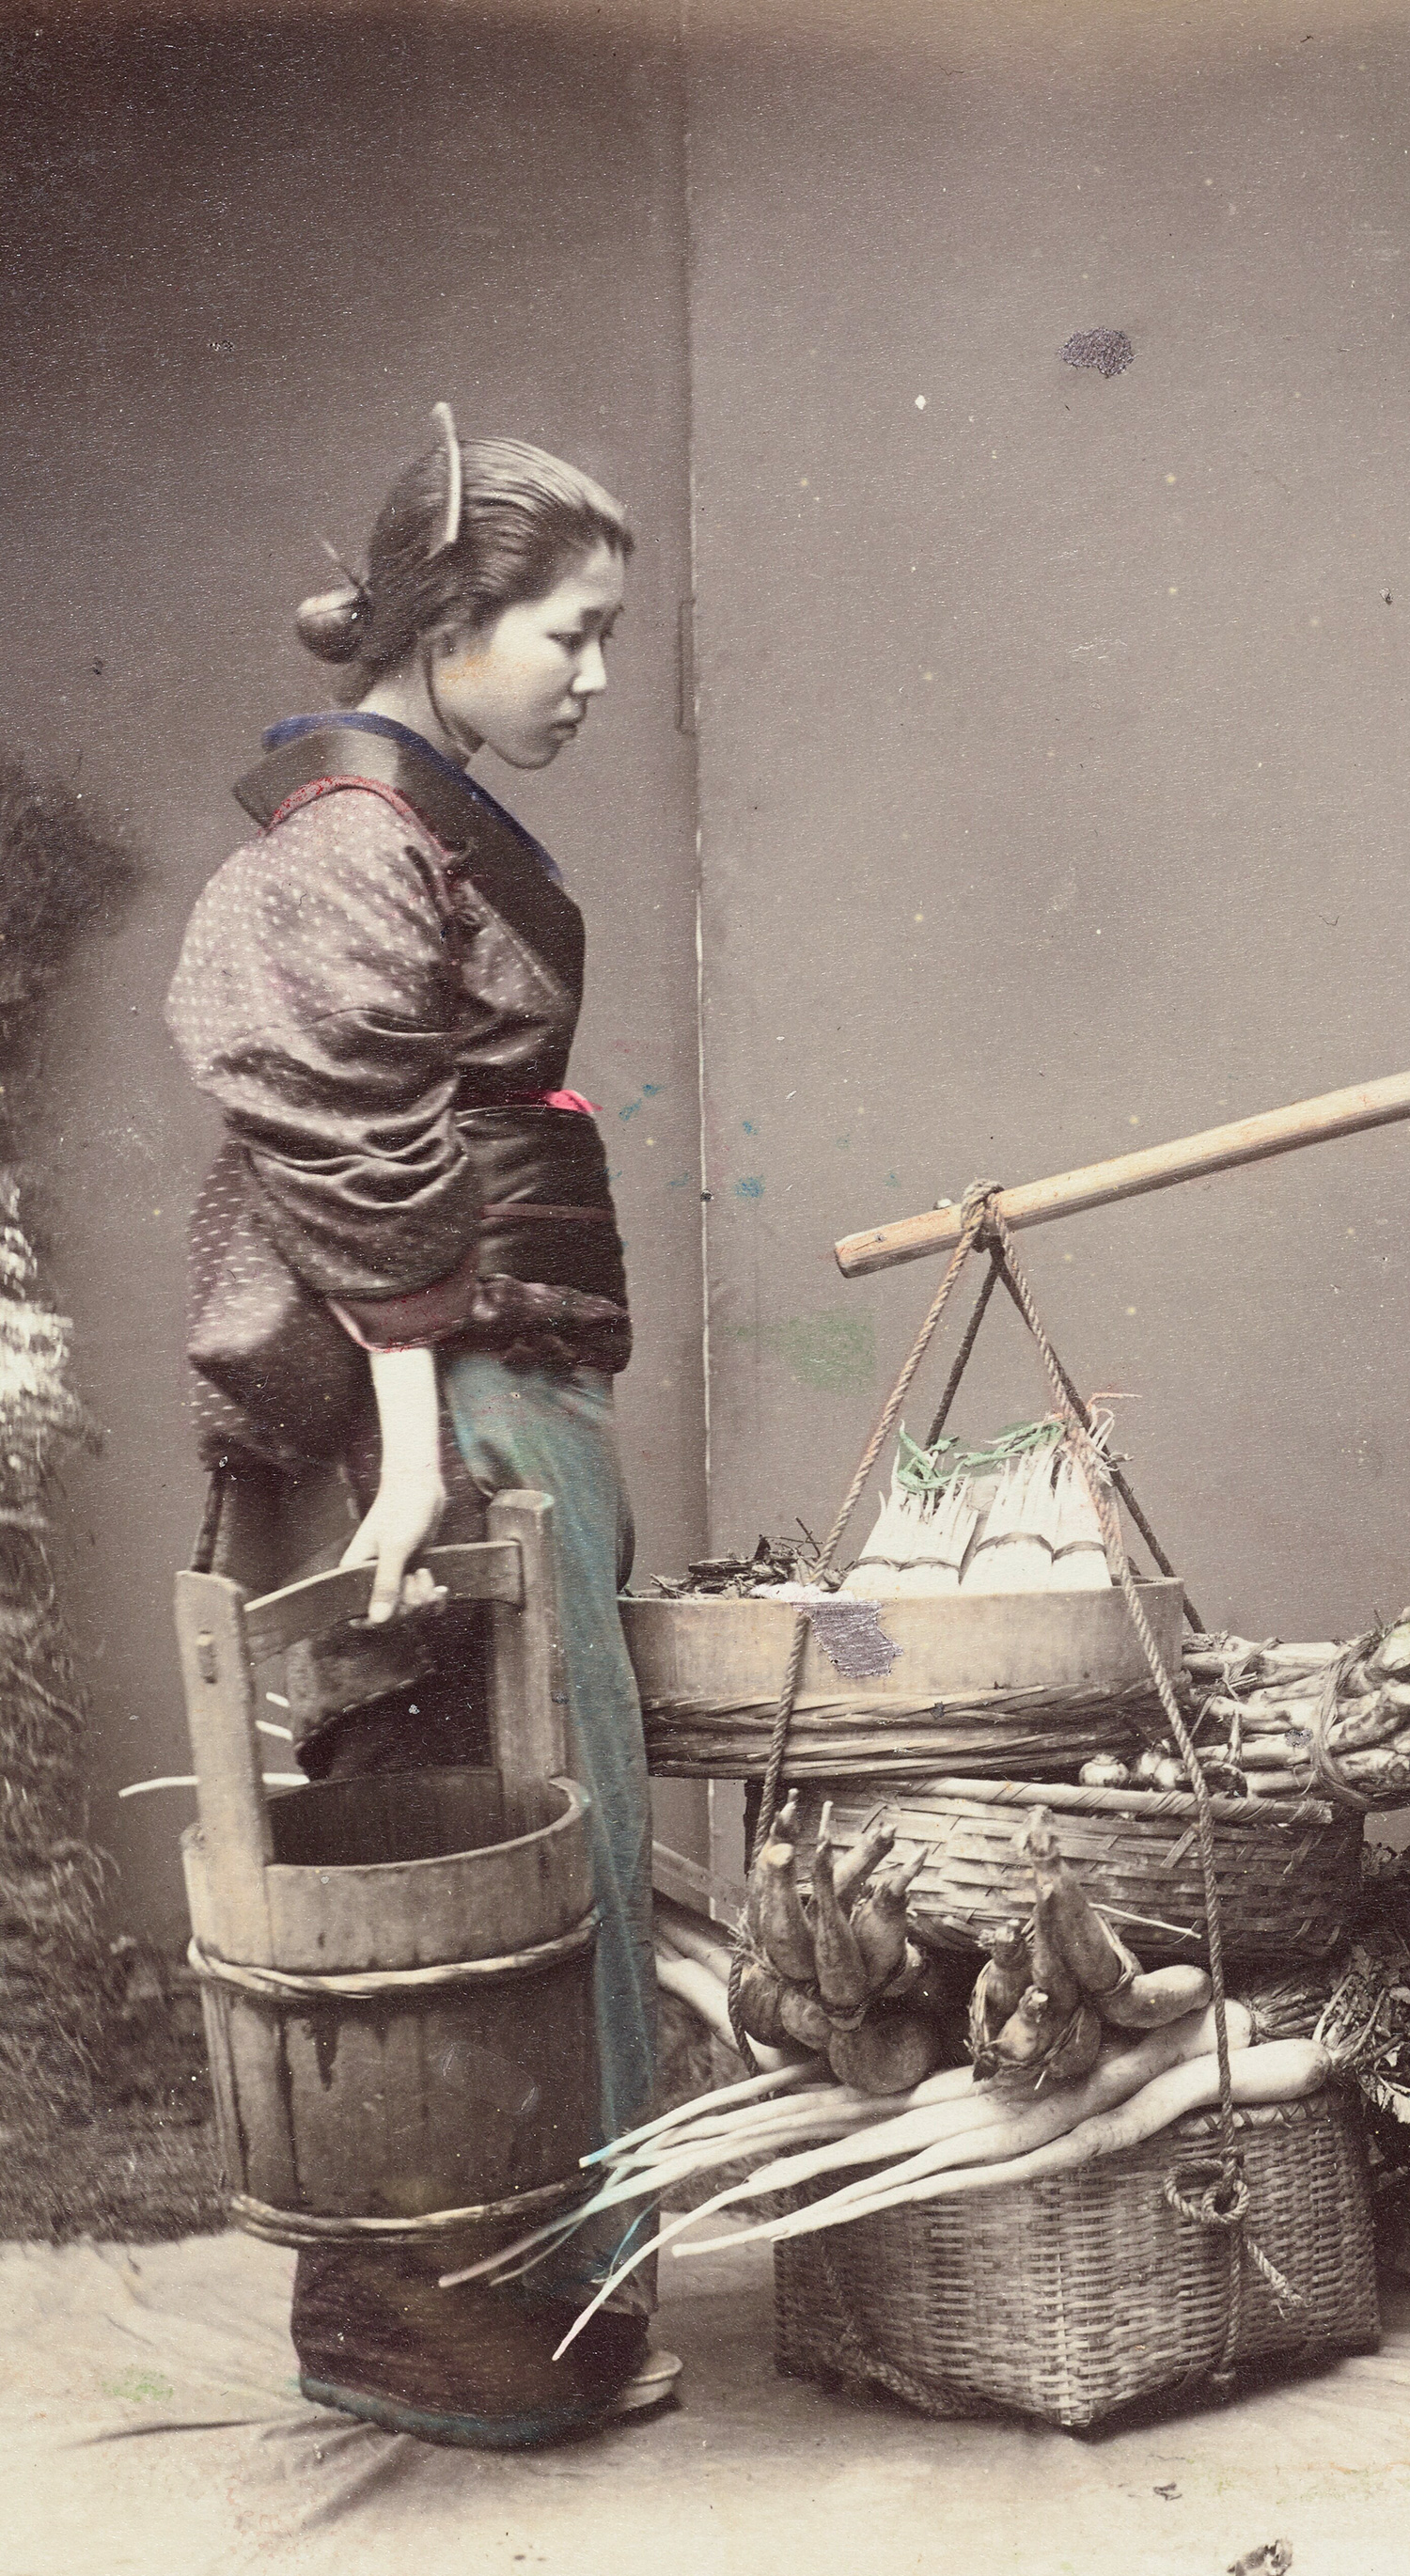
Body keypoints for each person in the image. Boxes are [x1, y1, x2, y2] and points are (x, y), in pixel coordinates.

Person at [164, 406, 673, 2442]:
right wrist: (414, 1418)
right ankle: (436, 2321)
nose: (593, 676)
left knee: (559, 1815)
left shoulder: (414, 819)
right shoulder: (351, 836)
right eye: (568, 630)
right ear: (452, 621)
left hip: (494, 1373)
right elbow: (331, 1119)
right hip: (440, 1398)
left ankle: (548, 2294)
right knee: (468, 1822)